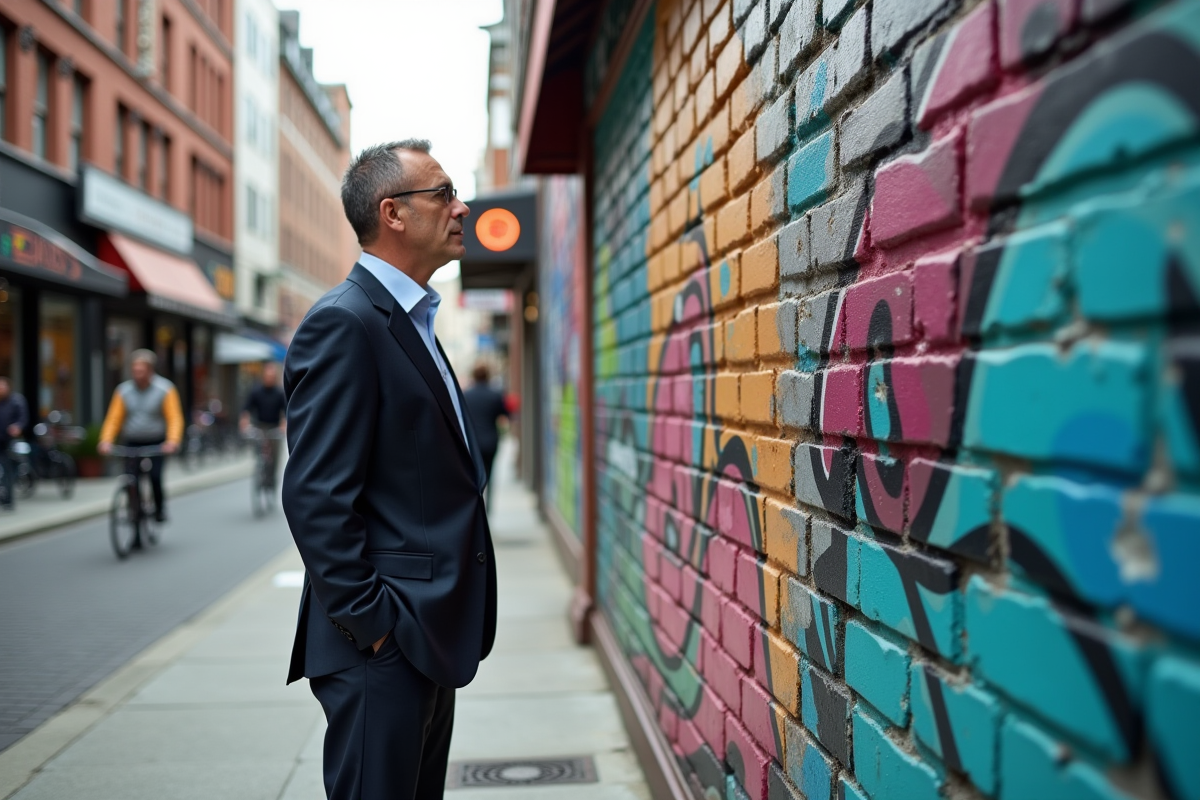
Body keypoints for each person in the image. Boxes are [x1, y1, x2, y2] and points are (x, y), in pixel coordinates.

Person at [282, 140, 495, 800]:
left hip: (425, 633)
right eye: (444, 194)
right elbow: (316, 497)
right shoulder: (346, 324)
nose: (462, 208)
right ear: (393, 213)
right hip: (385, 641)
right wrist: (374, 626)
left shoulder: (415, 320)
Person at [98, 350, 184, 523]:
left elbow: (174, 417)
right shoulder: (124, 391)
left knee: (155, 476)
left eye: (141, 371)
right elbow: (114, 419)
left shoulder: (165, 389)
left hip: (157, 442)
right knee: (131, 480)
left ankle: (159, 508)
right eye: (135, 371)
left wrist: (172, 441)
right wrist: (106, 440)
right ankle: (134, 512)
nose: (137, 375)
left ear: (150, 370)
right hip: (132, 441)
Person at [461, 363, 508, 502]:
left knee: (474, 476)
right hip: (491, 441)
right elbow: (504, 415)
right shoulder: (495, 395)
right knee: (490, 475)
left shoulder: (466, 395)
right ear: (487, 376)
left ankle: (477, 505)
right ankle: (488, 507)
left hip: (472, 443)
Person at [240, 363, 287, 486]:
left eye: (272, 376)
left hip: (274, 427)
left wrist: (283, 424)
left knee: (275, 456)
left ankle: (272, 479)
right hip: (260, 427)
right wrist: (244, 421)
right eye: (267, 376)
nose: (269, 378)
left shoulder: (279, 393)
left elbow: (285, 411)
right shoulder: (256, 391)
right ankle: (260, 468)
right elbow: (247, 408)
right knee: (259, 450)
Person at [0, 378, 29, 510]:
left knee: (8, 469)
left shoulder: (16, 401)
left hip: (9, 441)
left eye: (2, 386)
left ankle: (8, 499)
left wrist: (17, 427)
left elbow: (23, 418)